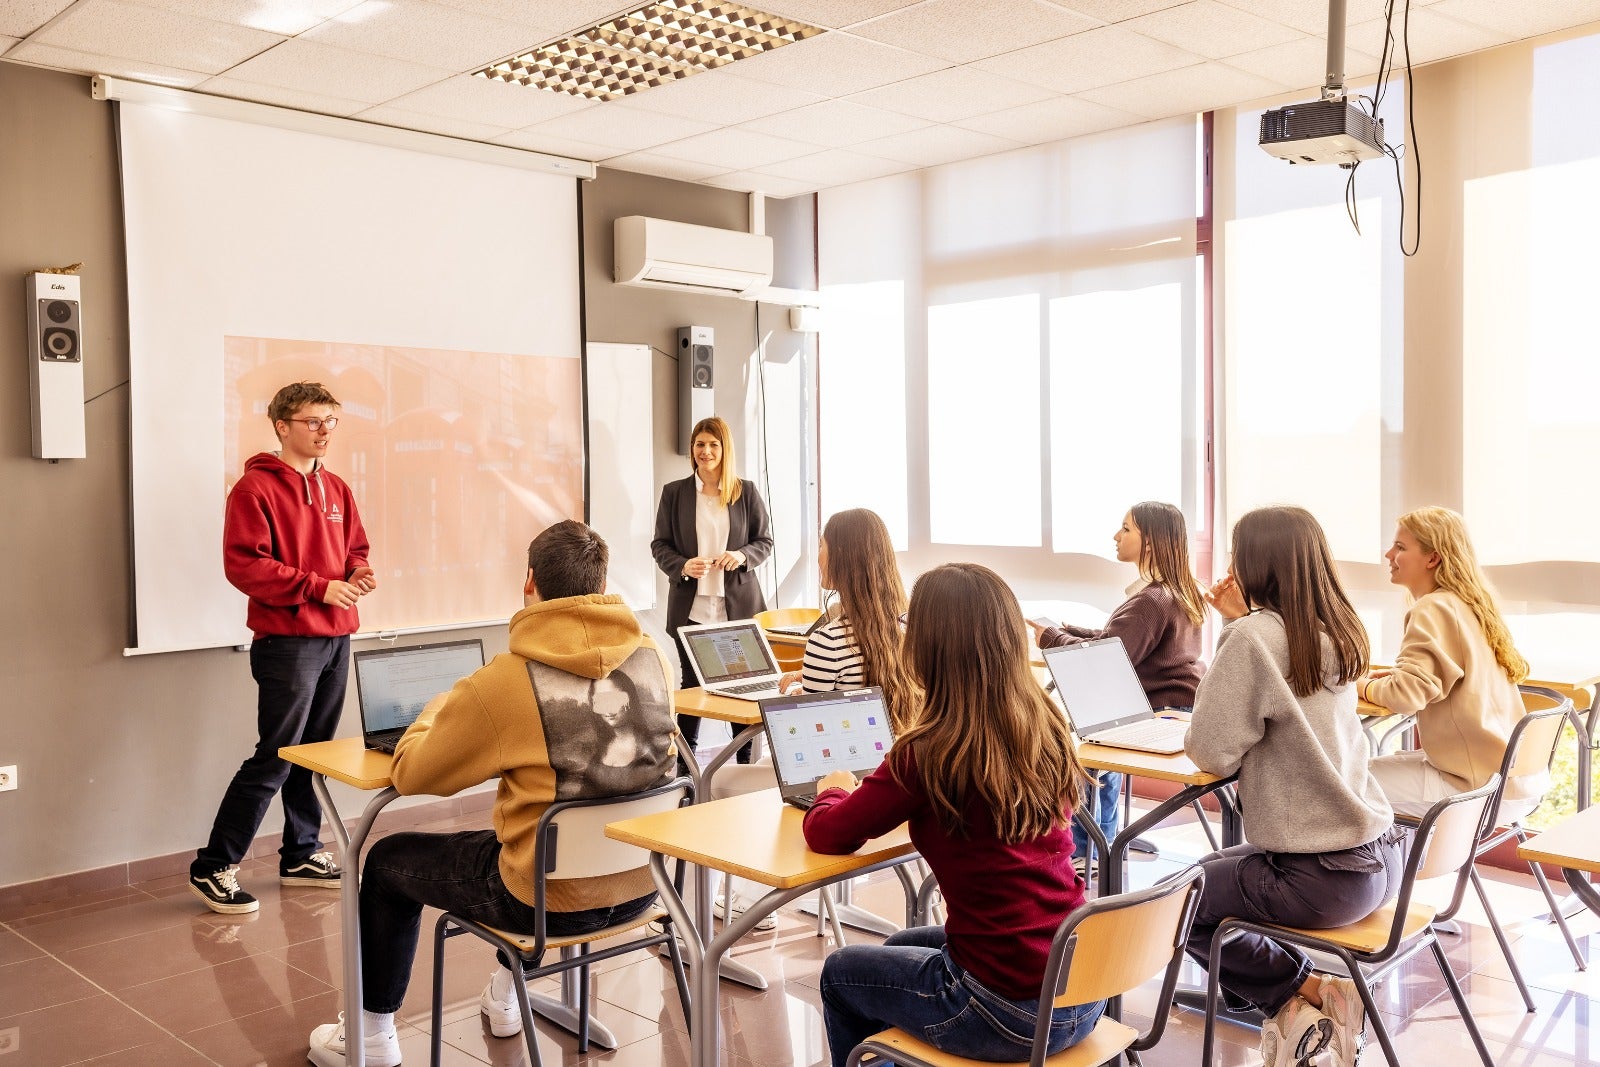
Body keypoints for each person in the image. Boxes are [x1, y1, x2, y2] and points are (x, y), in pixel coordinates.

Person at [306, 520, 678, 1067]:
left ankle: (371, 1038)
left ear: (530, 582)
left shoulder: (506, 681)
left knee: (387, 861)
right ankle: (506, 1000)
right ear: (602, 585)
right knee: (537, 839)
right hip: (644, 887)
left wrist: (437, 708)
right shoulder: (654, 658)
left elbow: (411, 773)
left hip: (543, 906)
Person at [804, 563, 1100, 1067]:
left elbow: (828, 834)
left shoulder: (929, 752)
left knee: (839, 972)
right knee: (899, 944)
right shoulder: (1046, 726)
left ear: (925, 648)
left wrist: (832, 791)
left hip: (1003, 1013)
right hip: (1078, 989)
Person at [1186, 506, 1401, 1067]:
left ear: (1256, 563)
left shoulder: (1254, 638)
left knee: (1178, 901)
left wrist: (1236, 626)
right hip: (1379, 862)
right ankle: (1308, 1011)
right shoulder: (1340, 629)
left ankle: (1298, 1000)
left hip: (1317, 877)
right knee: (1213, 873)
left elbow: (1210, 749)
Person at [190, 381, 376, 915]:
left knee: (312, 755)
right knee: (275, 756)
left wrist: (359, 573)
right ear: (281, 426)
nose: (323, 432)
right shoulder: (254, 490)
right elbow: (244, 565)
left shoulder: (337, 487)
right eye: (313, 422)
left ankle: (300, 852)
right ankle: (213, 867)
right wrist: (318, 587)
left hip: (337, 636)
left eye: (331, 422)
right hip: (288, 644)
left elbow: (355, 548)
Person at [711, 507, 920, 926]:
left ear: (841, 555)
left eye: (822, 547)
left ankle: (750, 898)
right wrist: (804, 685)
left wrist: (799, 691)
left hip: (837, 778)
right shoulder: (908, 622)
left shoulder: (829, 638)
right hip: (890, 767)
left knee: (719, 780)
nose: (819, 556)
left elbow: (811, 726)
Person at [1029, 501, 1205, 872]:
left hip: (1157, 714)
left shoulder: (1150, 600)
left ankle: (1087, 849)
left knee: (1075, 749)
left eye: (1126, 529)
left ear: (1151, 542)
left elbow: (1106, 660)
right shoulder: (1178, 591)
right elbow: (1124, 641)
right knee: (1095, 734)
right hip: (1182, 710)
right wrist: (1073, 632)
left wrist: (1051, 638)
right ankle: (1104, 839)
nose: (1116, 536)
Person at [1361, 506, 1537, 819]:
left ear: (1433, 558)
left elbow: (1404, 698)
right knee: (1358, 775)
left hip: (1476, 787)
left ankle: (1355, 868)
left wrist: (1358, 684)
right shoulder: (1469, 604)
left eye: (1400, 547)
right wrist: (1397, 677)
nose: (1389, 554)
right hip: (1515, 776)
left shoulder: (1433, 609)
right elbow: (1446, 678)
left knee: (1335, 786)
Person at [651, 415, 773, 764]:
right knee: (693, 689)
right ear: (692, 449)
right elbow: (660, 545)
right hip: (692, 609)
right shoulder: (675, 493)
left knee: (739, 690)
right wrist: (682, 565)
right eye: (700, 444)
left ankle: (744, 767)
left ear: (724, 449)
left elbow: (764, 542)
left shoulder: (745, 491)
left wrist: (741, 555)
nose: (705, 451)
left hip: (737, 608)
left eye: (713, 444)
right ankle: (685, 775)